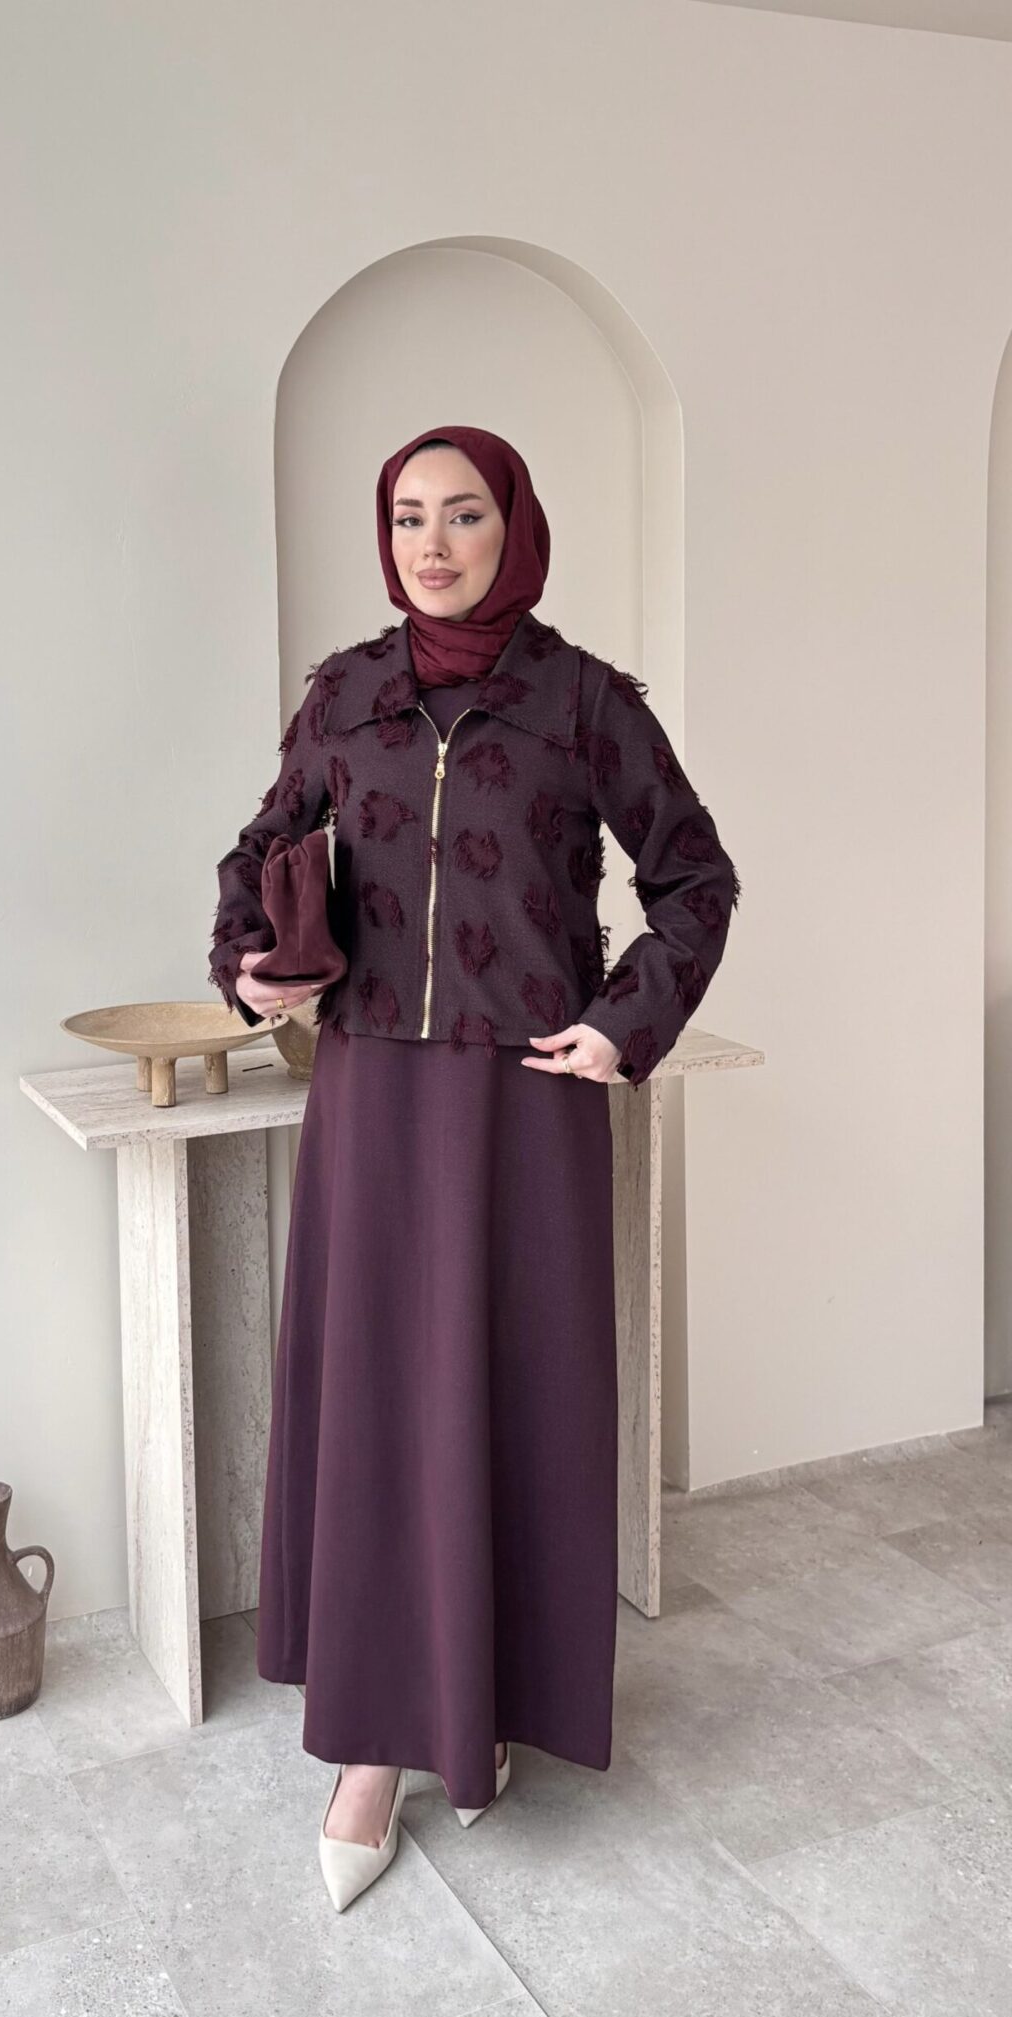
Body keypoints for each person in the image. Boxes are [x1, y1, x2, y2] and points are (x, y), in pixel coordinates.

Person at [209, 424, 738, 1911]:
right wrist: (250, 967)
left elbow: (694, 876)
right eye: (407, 518)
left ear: (515, 527)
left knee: (513, 1393)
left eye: (462, 515)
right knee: (382, 1402)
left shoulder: (582, 702)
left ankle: (483, 1699)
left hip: (525, 1106)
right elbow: (258, 855)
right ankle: (372, 1750)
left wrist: (623, 1023)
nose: (432, 545)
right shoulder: (346, 695)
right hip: (375, 1096)